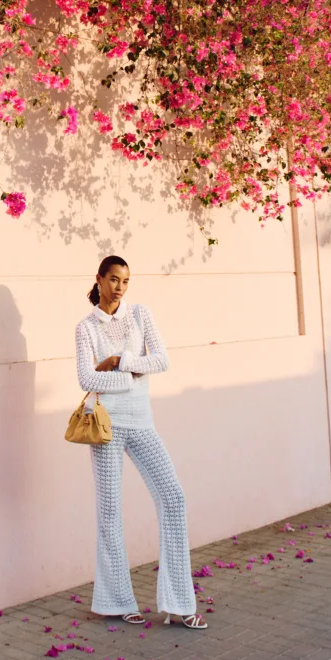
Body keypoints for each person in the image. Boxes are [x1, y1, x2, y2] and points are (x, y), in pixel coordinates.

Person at [74, 254, 207, 629]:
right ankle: (116, 602)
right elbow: (86, 378)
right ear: (99, 279)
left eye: (126, 281)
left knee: (174, 498)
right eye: (113, 279)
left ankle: (180, 605)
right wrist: (131, 376)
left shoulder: (140, 315)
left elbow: (162, 360)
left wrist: (119, 361)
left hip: (142, 423)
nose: (119, 287)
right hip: (106, 427)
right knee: (110, 511)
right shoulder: (86, 328)